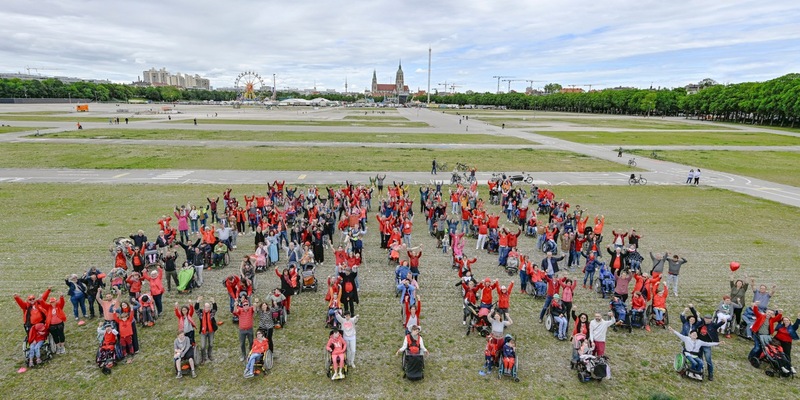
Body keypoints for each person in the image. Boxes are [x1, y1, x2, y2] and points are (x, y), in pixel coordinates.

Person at [194, 296, 217, 364]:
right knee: (203, 346)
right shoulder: (201, 314)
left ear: (210, 308)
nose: (207, 308)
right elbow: (196, 309)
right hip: (203, 332)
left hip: (211, 331)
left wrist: (213, 302)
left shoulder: (211, 314)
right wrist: (197, 301)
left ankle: (209, 355)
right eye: (206, 307)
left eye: (208, 307)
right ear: (204, 307)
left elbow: (215, 309)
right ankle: (203, 357)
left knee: (211, 344)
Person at [234, 298, 255, 362]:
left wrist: (255, 303)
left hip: (249, 329)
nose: (246, 306)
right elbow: (235, 311)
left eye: (247, 304)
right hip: (242, 330)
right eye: (244, 305)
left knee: (251, 342)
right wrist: (235, 305)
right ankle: (243, 355)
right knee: (242, 343)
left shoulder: (251, 309)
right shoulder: (240, 310)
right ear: (242, 306)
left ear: (249, 305)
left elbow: (255, 309)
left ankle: (250, 354)